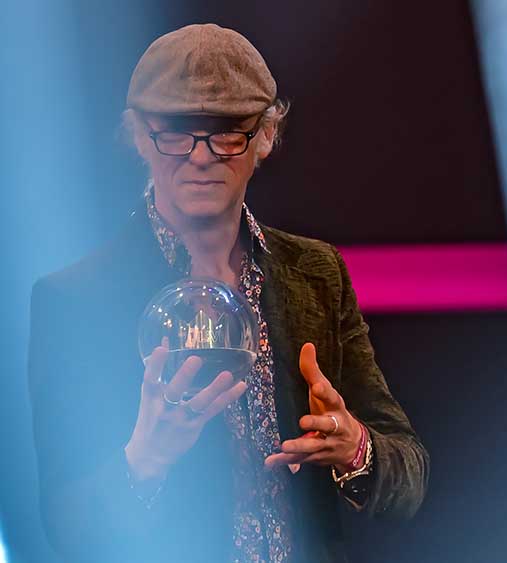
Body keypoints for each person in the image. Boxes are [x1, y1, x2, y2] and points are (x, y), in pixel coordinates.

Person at [28, 23, 428, 563]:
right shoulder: (77, 301)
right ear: (140, 136)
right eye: (176, 133)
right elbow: (64, 530)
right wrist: (145, 458)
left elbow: (410, 476)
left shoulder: (316, 273)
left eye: (226, 133)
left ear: (265, 136)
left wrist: (354, 446)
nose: (201, 157)